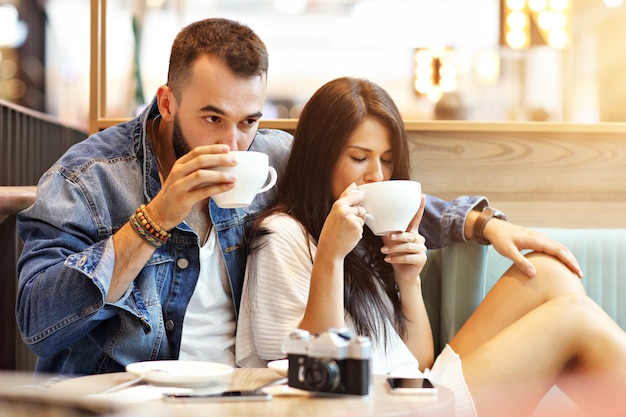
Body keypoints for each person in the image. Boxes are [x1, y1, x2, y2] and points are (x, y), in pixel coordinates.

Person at [17, 17, 580, 377]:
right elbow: (38, 320)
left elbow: (366, 192)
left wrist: (478, 224)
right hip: (120, 392)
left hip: (243, 393)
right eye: (212, 118)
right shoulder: (89, 179)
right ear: (167, 102)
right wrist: (154, 219)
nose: (232, 142)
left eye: (248, 120)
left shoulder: (270, 159)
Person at [236, 77, 626, 417]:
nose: (376, 175)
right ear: (319, 159)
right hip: (379, 407)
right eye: (359, 158)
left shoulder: (364, 234)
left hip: (416, 390)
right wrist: (330, 258)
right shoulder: (282, 235)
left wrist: (409, 280)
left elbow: (416, 361)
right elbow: (314, 376)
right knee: (575, 317)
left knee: (547, 271)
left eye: (387, 160)